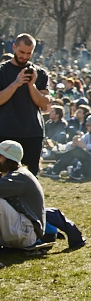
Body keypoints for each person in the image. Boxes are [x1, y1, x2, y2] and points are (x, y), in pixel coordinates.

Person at [0, 34, 50, 175]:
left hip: (31, 133)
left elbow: (44, 104)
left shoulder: (40, 73)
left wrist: (31, 85)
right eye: (21, 52)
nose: (24, 56)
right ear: (14, 47)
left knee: (29, 175)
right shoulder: (1, 71)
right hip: (4, 131)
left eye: (29, 53)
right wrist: (16, 84)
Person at [0, 140, 45, 250]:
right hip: (20, 229)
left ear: (8, 159)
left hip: (26, 233)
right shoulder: (13, 174)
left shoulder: (20, 176)